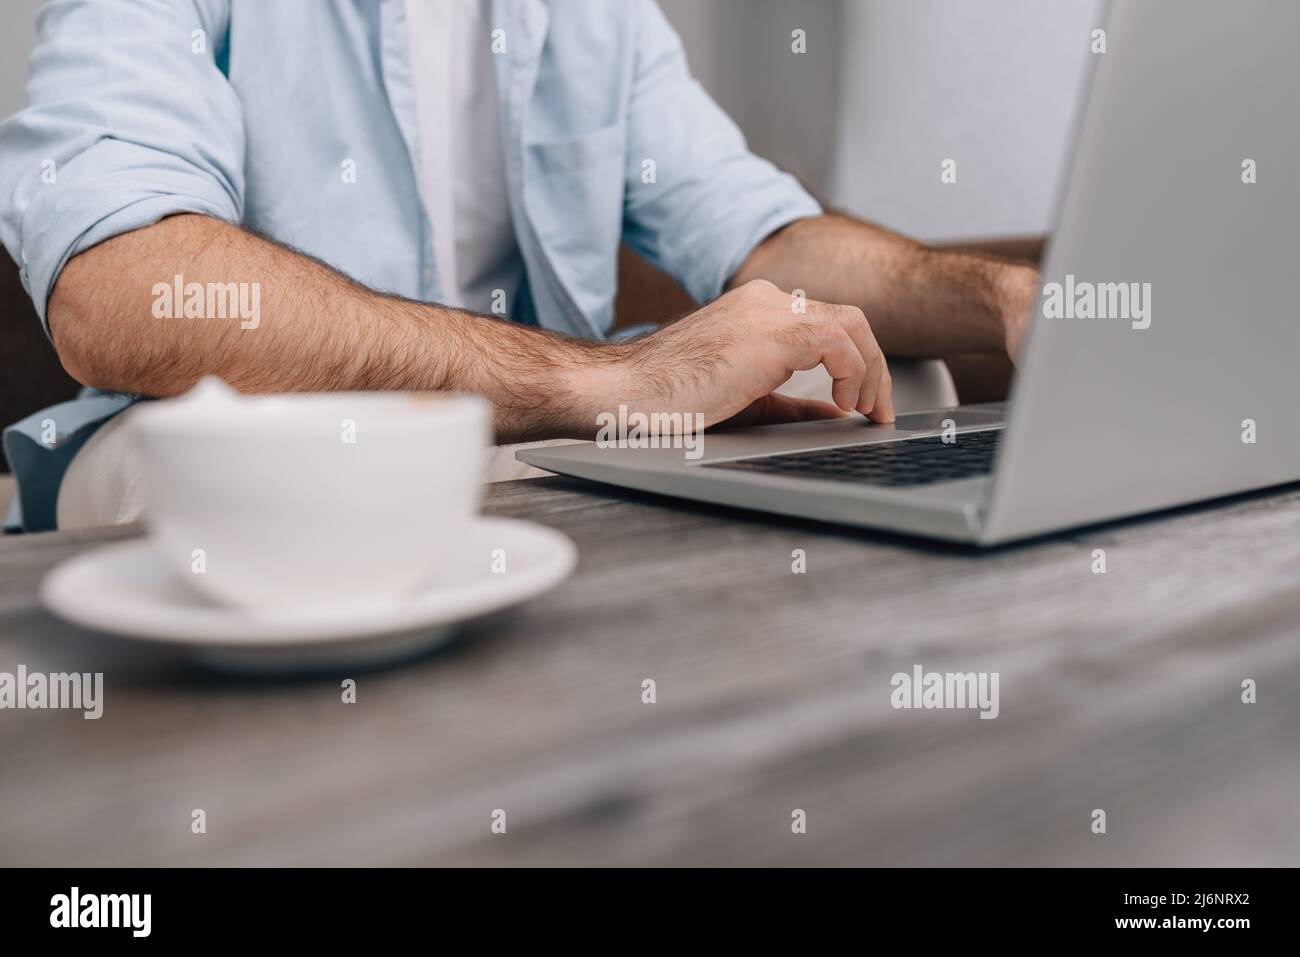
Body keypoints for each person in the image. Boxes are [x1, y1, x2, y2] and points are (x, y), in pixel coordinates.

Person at [0, 0, 1035, 532]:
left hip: (532, 424)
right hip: (242, 427)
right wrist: (605, 385)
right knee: (298, 486)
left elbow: (765, 236)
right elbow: (116, 283)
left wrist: (996, 298)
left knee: (880, 381)